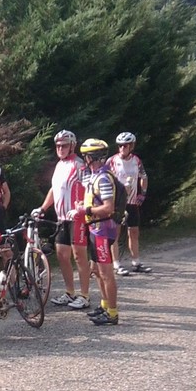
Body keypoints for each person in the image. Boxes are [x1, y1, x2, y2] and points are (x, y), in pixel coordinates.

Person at [32, 130, 91, 310]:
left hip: (77, 218)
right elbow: (54, 189)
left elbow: (90, 188)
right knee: (62, 255)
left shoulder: (79, 165)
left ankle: (85, 295)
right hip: (62, 217)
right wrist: (43, 208)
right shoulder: (59, 165)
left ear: (72, 146)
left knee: (79, 256)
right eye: (57, 146)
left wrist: (82, 207)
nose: (60, 149)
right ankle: (69, 292)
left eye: (64, 145)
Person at [73, 140, 121, 326]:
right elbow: (95, 201)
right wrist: (84, 206)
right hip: (95, 228)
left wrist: (85, 210)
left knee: (106, 273)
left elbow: (108, 208)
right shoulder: (95, 176)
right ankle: (105, 305)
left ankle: (112, 313)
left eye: (85, 156)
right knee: (96, 270)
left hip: (102, 230)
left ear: (91, 157)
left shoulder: (103, 178)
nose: (84, 159)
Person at [107, 131, 151, 275]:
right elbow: (104, 179)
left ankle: (136, 262)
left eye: (125, 146)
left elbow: (144, 177)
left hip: (132, 202)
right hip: (117, 203)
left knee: (134, 232)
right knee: (116, 232)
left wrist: (142, 194)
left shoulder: (136, 161)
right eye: (120, 145)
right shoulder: (112, 161)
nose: (122, 148)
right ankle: (116, 264)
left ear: (131, 146)